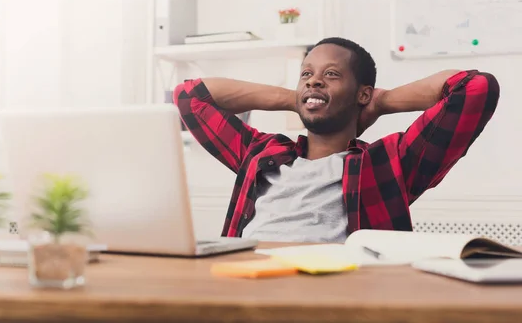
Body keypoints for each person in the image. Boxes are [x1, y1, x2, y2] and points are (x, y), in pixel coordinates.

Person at [173, 37, 500, 243]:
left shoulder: (389, 163)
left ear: (362, 93)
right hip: (245, 286)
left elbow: (473, 88)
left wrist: (381, 103)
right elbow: (190, 96)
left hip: (332, 296)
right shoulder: (262, 152)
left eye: (331, 74)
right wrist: (297, 97)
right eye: (306, 74)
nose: (314, 80)